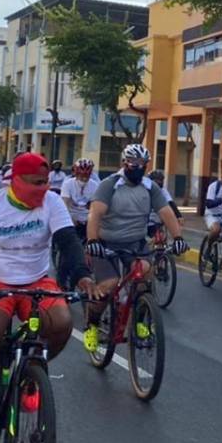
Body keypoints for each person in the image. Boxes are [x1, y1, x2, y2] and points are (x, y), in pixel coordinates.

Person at [0, 153, 98, 443]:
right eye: (35, 183)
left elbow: (68, 241)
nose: (42, 189)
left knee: (62, 324)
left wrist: (82, 274)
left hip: (37, 280)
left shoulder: (52, 202)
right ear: (15, 181)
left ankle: (30, 375)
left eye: (45, 182)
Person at [82, 144, 188, 352]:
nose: (138, 167)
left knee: (144, 276)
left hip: (136, 243)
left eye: (142, 164)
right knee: (109, 284)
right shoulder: (109, 185)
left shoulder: (150, 187)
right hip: (106, 243)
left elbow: (166, 212)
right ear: (124, 163)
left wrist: (178, 237)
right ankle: (91, 324)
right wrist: (92, 241)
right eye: (133, 163)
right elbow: (95, 214)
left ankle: (139, 321)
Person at [60, 158, 99, 239]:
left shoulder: (95, 185)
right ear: (76, 173)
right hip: (71, 216)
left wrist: (91, 221)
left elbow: (95, 207)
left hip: (87, 217)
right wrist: (71, 219)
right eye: (81, 175)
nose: (84, 178)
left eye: (87, 175)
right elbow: (64, 204)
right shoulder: (68, 184)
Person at [147, 170, 182, 239]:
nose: (159, 182)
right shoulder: (144, 189)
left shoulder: (163, 190)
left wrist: (179, 216)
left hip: (157, 218)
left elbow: (170, 203)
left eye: (160, 180)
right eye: (156, 180)